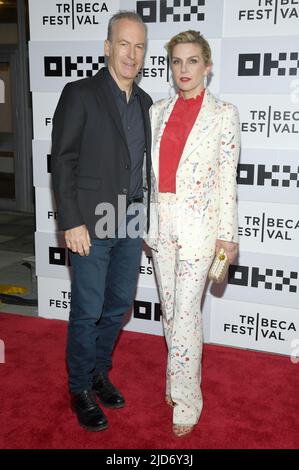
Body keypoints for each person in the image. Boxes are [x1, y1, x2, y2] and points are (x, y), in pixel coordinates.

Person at [51, 11, 152, 432]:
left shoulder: (146, 103)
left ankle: (97, 373)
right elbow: (64, 160)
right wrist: (70, 221)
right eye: (123, 44)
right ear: (108, 46)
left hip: (130, 219)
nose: (131, 54)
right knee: (88, 309)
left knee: (116, 308)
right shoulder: (80, 92)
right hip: (90, 222)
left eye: (139, 46)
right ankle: (79, 389)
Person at [145, 30, 240, 437]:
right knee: (171, 312)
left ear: (208, 65)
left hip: (201, 232)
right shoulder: (158, 111)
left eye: (193, 61)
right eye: (177, 61)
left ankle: (187, 400)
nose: (184, 69)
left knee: (186, 316)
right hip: (161, 226)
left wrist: (228, 235)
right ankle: (175, 380)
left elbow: (227, 181)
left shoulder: (224, 114)